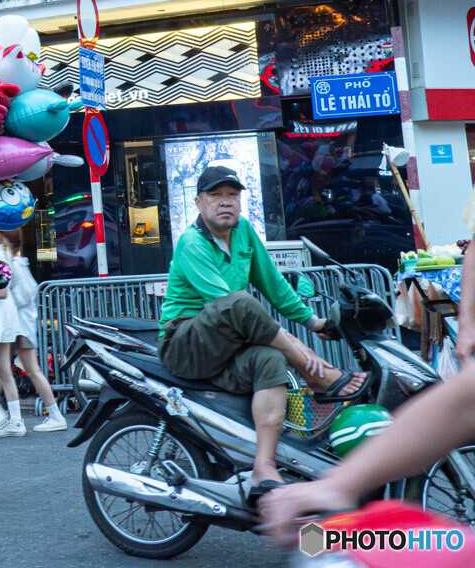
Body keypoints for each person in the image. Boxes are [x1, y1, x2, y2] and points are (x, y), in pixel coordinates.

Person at [263, 186, 475, 541]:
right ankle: (264, 465)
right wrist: (339, 484)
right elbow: (461, 405)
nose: (226, 201)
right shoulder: (197, 244)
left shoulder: (245, 241)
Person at [159, 164, 370, 501]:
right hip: (185, 342)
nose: (225, 202)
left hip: (228, 342)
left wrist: (314, 323)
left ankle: (263, 466)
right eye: (215, 196)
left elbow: (272, 284)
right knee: (239, 302)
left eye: (232, 196)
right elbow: (227, 304)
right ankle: (315, 373)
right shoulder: (191, 243)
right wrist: (302, 349)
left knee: (270, 360)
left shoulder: (243, 231)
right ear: (198, 202)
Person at [0, 229, 68, 438]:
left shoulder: (3, 257)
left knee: (29, 369)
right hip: (19, 322)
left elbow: (5, 292)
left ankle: (52, 416)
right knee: (2, 367)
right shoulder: (16, 259)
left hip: (18, 323)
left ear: (0, 235)